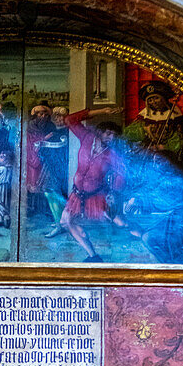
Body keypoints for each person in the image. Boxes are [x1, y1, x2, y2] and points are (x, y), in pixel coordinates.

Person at [59, 109, 127, 262]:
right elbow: (70, 119)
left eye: (114, 135)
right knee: (65, 221)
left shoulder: (112, 154)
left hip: (96, 195)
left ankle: (144, 234)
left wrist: (114, 194)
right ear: (99, 132)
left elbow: (120, 175)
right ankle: (93, 256)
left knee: (120, 223)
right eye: (108, 133)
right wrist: (102, 111)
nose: (111, 138)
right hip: (77, 194)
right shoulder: (87, 137)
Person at [124, 81, 183, 169]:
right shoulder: (144, 115)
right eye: (150, 100)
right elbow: (130, 135)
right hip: (147, 154)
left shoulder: (174, 114)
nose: (154, 102)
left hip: (168, 155)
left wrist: (165, 147)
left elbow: (182, 140)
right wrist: (144, 132)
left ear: (163, 98)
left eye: (156, 98)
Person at [37, 106, 69, 237]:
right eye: (56, 116)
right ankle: (59, 221)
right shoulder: (52, 131)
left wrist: (44, 144)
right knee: (49, 193)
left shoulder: (66, 133)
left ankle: (59, 223)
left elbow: (59, 150)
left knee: (52, 193)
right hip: (50, 167)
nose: (59, 119)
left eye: (62, 117)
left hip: (59, 169)